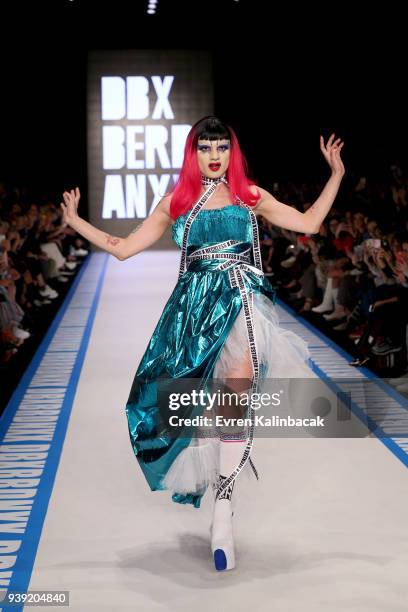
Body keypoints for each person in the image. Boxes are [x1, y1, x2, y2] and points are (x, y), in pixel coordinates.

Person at [60, 116, 345, 571]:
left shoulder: (250, 196)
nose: (215, 156)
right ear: (192, 154)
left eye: (222, 148)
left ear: (233, 152)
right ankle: (219, 494)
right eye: (205, 148)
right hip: (192, 314)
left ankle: (224, 507)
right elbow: (122, 247)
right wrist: (75, 222)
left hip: (242, 302)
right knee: (192, 408)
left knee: (237, 387)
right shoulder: (175, 202)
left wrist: (336, 177)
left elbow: (309, 222)